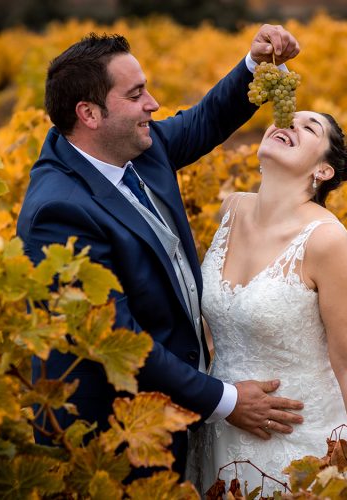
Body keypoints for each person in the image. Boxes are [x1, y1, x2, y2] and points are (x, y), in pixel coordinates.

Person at [16, 26, 305, 478]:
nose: (152, 104)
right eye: (136, 95)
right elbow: (123, 341)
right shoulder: (58, 212)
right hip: (116, 439)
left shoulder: (137, 147)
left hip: (177, 407)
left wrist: (255, 64)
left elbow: (206, 118)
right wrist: (224, 401)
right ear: (89, 113)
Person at [187, 111, 347, 499]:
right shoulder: (231, 209)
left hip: (301, 437)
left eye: (309, 128)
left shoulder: (326, 241)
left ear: (322, 171)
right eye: (286, 119)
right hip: (223, 423)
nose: (289, 125)